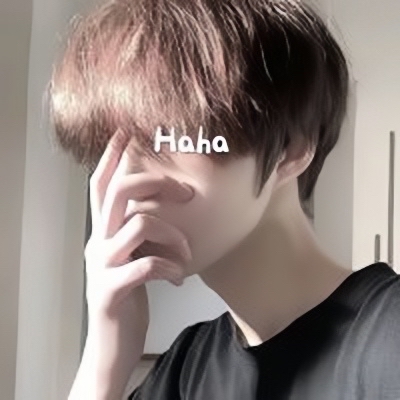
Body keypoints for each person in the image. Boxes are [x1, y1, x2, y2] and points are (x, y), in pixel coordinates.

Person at [47, 0, 400, 399]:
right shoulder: (183, 371)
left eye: (167, 137)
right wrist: (103, 356)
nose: (124, 180)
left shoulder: (388, 340)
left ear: (290, 150)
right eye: (105, 148)